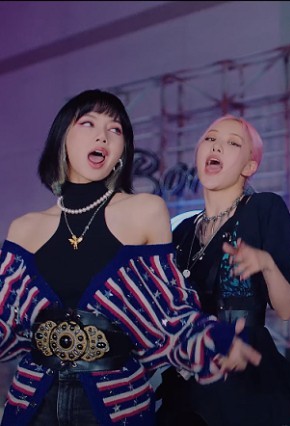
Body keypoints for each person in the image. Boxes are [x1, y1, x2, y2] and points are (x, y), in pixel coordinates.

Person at [0, 89, 261, 426]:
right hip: (33, 403)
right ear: (62, 137)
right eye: (88, 123)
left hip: (115, 403)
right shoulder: (24, 228)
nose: (102, 136)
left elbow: (169, 309)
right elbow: (6, 322)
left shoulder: (145, 211)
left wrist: (214, 341)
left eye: (115, 129)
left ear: (122, 151)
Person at [155, 114, 290, 426]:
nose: (216, 146)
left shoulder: (264, 208)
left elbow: (286, 309)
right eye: (210, 139)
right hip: (195, 367)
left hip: (246, 371)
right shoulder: (181, 232)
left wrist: (267, 264)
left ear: (249, 166)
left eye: (233, 143)